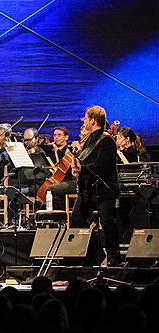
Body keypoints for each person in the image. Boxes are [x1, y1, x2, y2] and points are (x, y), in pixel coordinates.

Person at [71, 105, 120, 265]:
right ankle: (95, 254)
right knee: (76, 219)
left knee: (107, 222)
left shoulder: (106, 140)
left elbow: (103, 165)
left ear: (93, 120)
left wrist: (82, 168)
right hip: (88, 189)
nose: (83, 120)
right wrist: (77, 167)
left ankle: (114, 256)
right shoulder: (89, 139)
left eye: (85, 118)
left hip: (104, 189)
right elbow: (86, 162)